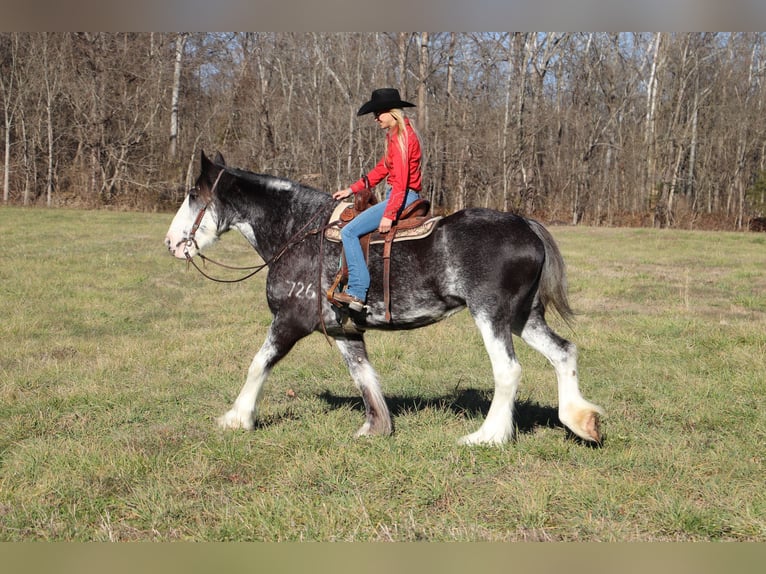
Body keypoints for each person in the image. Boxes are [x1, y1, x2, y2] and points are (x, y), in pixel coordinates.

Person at [332, 88, 423, 311]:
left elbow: (401, 182)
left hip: (402, 196)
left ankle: (357, 291)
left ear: (392, 113)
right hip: (400, 195)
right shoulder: (396, 137)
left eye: (378, 113)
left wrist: (390, 214)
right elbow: (382, 169)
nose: (376, 118)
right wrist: (351, 189)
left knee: (349, 231)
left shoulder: (402, 138)